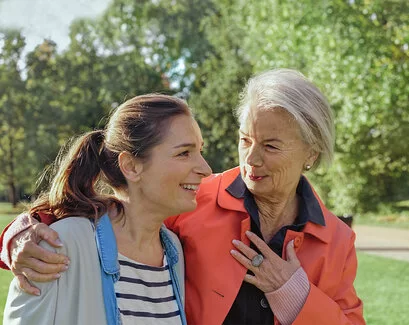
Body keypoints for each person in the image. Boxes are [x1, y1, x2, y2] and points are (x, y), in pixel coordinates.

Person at [1, 69, 365, 324]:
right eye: (245, 140)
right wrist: (17, 235)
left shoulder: (336, 242)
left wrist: (293, 294)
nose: (251, 159)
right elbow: (117, 212)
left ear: (311, 153)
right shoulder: (193, 200)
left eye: (270, 146)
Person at [2, 94, 212, 325]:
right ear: (131, 166)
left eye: (200, 151)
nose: (206, 169)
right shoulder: (60, 246)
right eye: (184, 153)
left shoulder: (173, 251)